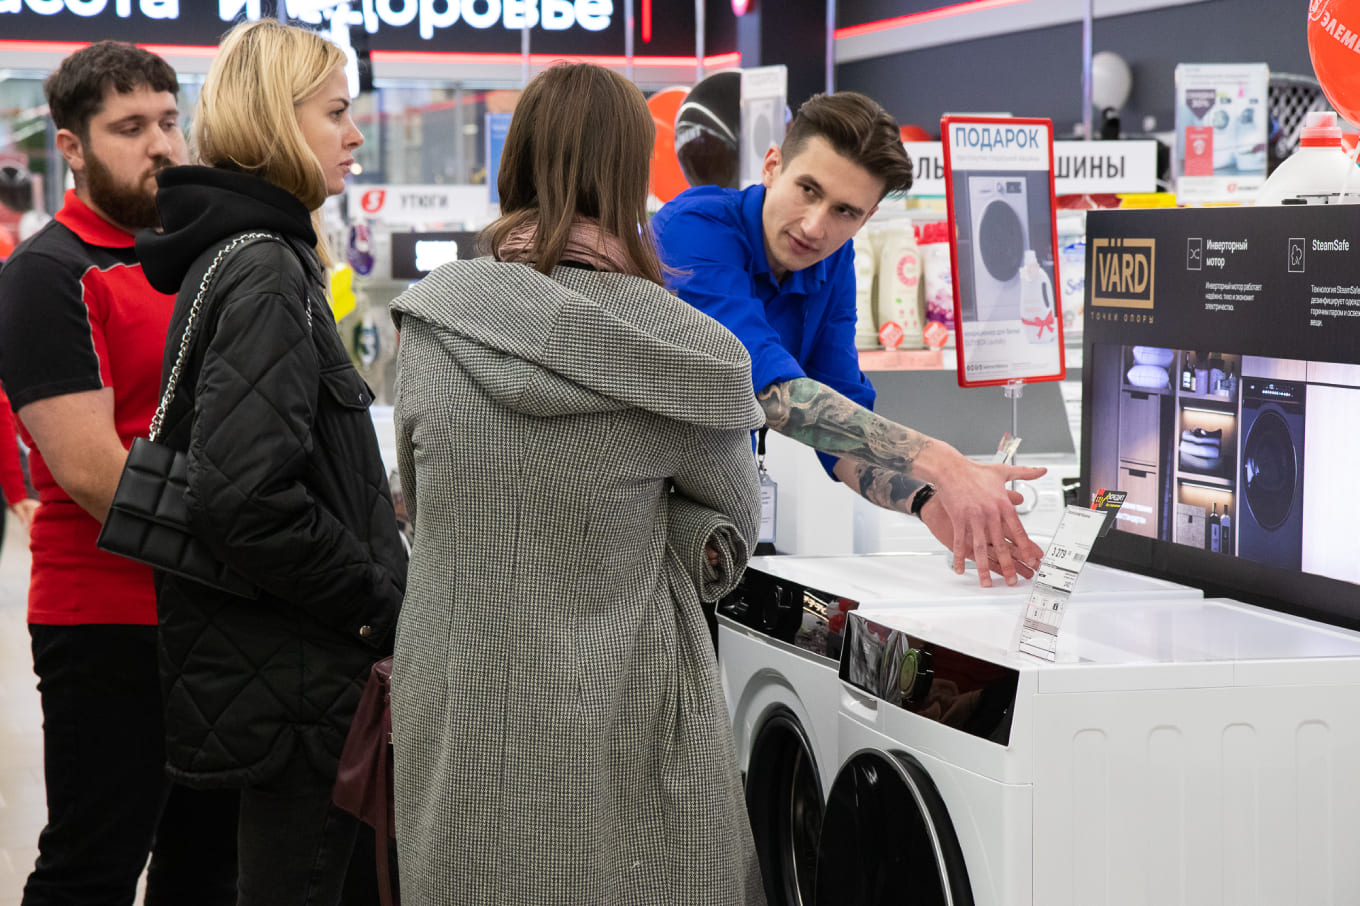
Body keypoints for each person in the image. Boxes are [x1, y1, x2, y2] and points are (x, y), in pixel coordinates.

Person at [389, 62, 767, 905]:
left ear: (513, 159)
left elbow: (420, 501)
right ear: (633, 174)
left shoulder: (434, 319)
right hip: (625, 705)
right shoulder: (685, 353)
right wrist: (655, 519)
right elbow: (727, 544)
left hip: (463, 696)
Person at [133, 20, 406, 905]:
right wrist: (376, 603)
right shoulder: (265, 269)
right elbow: (244, 497)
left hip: (277, 672)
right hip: (302, 686)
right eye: (335, 112)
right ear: (276, 121)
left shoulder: (241, 254)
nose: (354, 134)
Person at [0, 41, 239, 906]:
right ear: (71, 146)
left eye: (170, 121)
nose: (162, 145)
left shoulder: (197, 258)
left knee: (206, 867)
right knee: (94, 864)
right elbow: (94, 471)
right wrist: (253, 544)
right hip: (106, 619)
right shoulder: (48, 273)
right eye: (130, 128)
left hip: (207, 612)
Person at [653, 91, 1047, 587]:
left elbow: (841, 434)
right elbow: (768, 392)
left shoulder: (830, 262)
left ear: (867, 216)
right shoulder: (695, 227)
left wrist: (928, 501)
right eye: (808, 190)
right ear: (772, 165)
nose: (814, 226)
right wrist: (946, 465)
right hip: (622, 520)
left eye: (844, 211)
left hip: (708, 532)